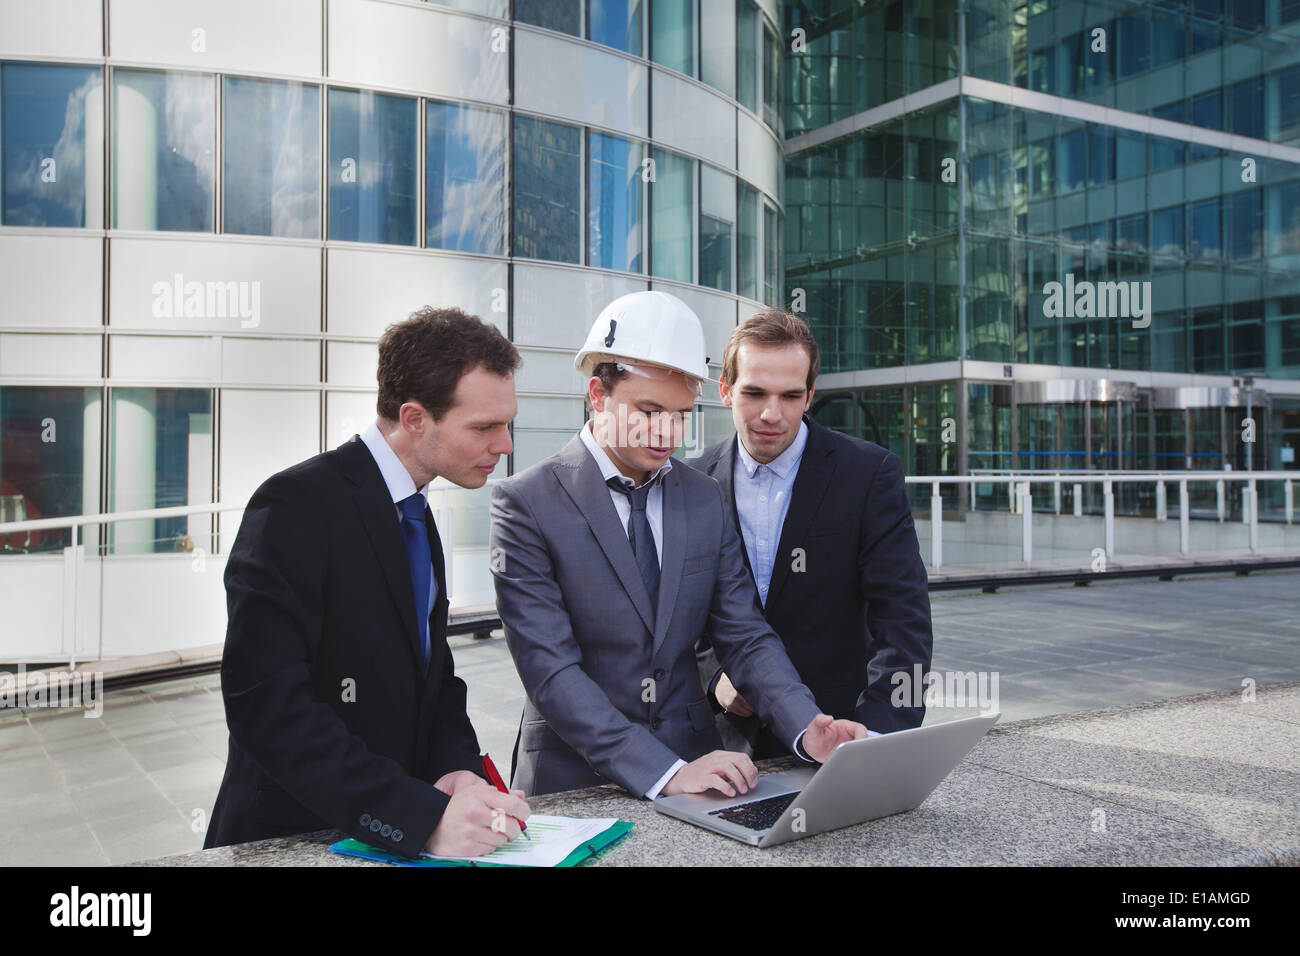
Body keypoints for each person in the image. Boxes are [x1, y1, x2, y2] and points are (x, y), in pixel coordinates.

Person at [489, 291, 867, 799]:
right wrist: (663, 771)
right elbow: (552, 672)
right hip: (572, 777)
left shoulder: (704, 497)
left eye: (681, 413)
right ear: (597, 395)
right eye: (648, 410)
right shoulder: (526, 503)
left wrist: (806, 724)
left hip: (700, 762)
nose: (667, 432)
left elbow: (745, 634)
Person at [206, 306, 531, 858]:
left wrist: (458, 771)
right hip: (297, 836)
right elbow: (268, 707)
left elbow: (434, 676)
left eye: (507, 423)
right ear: (413, 418)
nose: (505, 445)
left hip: (396, 831)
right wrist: (416, 817)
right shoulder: (295, 504)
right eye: (483, 427)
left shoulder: (417, 512)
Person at [688, 309, 933, 758]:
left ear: (810, 395)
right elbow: (672, 618)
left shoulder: (868, 474)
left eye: (790, 396)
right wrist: (714, 678)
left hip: (840, 734)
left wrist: (878, 736)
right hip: (719, 744)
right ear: (725, 390)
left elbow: (902, 619)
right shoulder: (689, 480)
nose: (771, 414)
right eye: (754, 393)